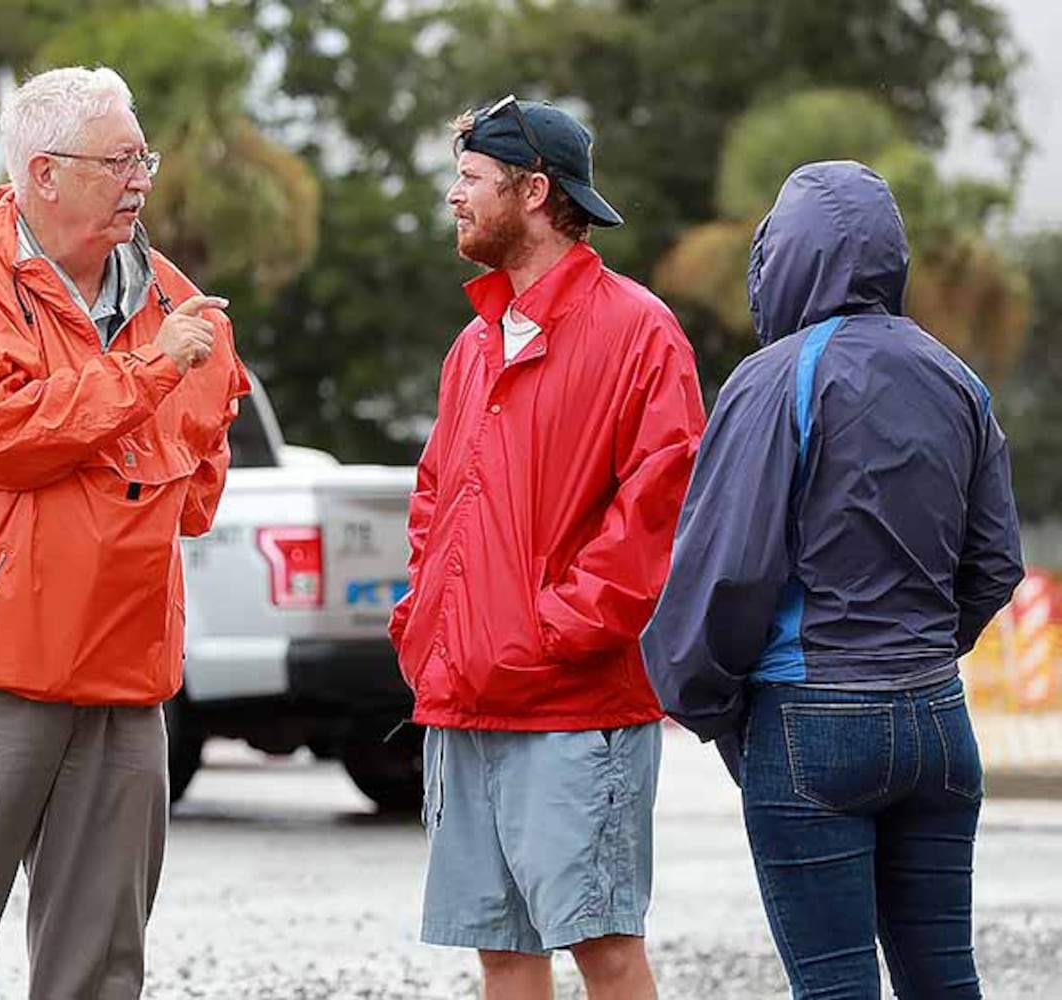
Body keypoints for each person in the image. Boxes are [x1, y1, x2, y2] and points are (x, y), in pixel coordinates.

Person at [0, 66, 249, 999]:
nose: (142, 179)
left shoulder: (175, 301)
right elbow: (1, 437)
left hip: (123, 690)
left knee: (101, 975)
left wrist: (138, 399)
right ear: (43, 172)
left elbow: (199, 483)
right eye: (120, 160)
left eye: (143, 157)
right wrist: (147, 376)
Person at [641, 160, 1024, 999]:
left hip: (810, 716)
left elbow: (727, 570)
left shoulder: (777, 376)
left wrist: (707, 703)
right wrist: (922, 646)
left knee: (835, 988)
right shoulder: (957, 379)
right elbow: (997, 559)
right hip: (937, 719)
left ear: (785, 257)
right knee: (946, 979)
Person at [388, 95, 706, 1000]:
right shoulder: (473, 345)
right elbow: (434, 498)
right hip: (464, 697)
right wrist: (429, 626)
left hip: (575, 703)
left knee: (603, 947)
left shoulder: (639, 331)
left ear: (534, 191)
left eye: (470, 179)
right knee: (502, 951)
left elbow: (660, 509)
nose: (454, 196)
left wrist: (549, 630)